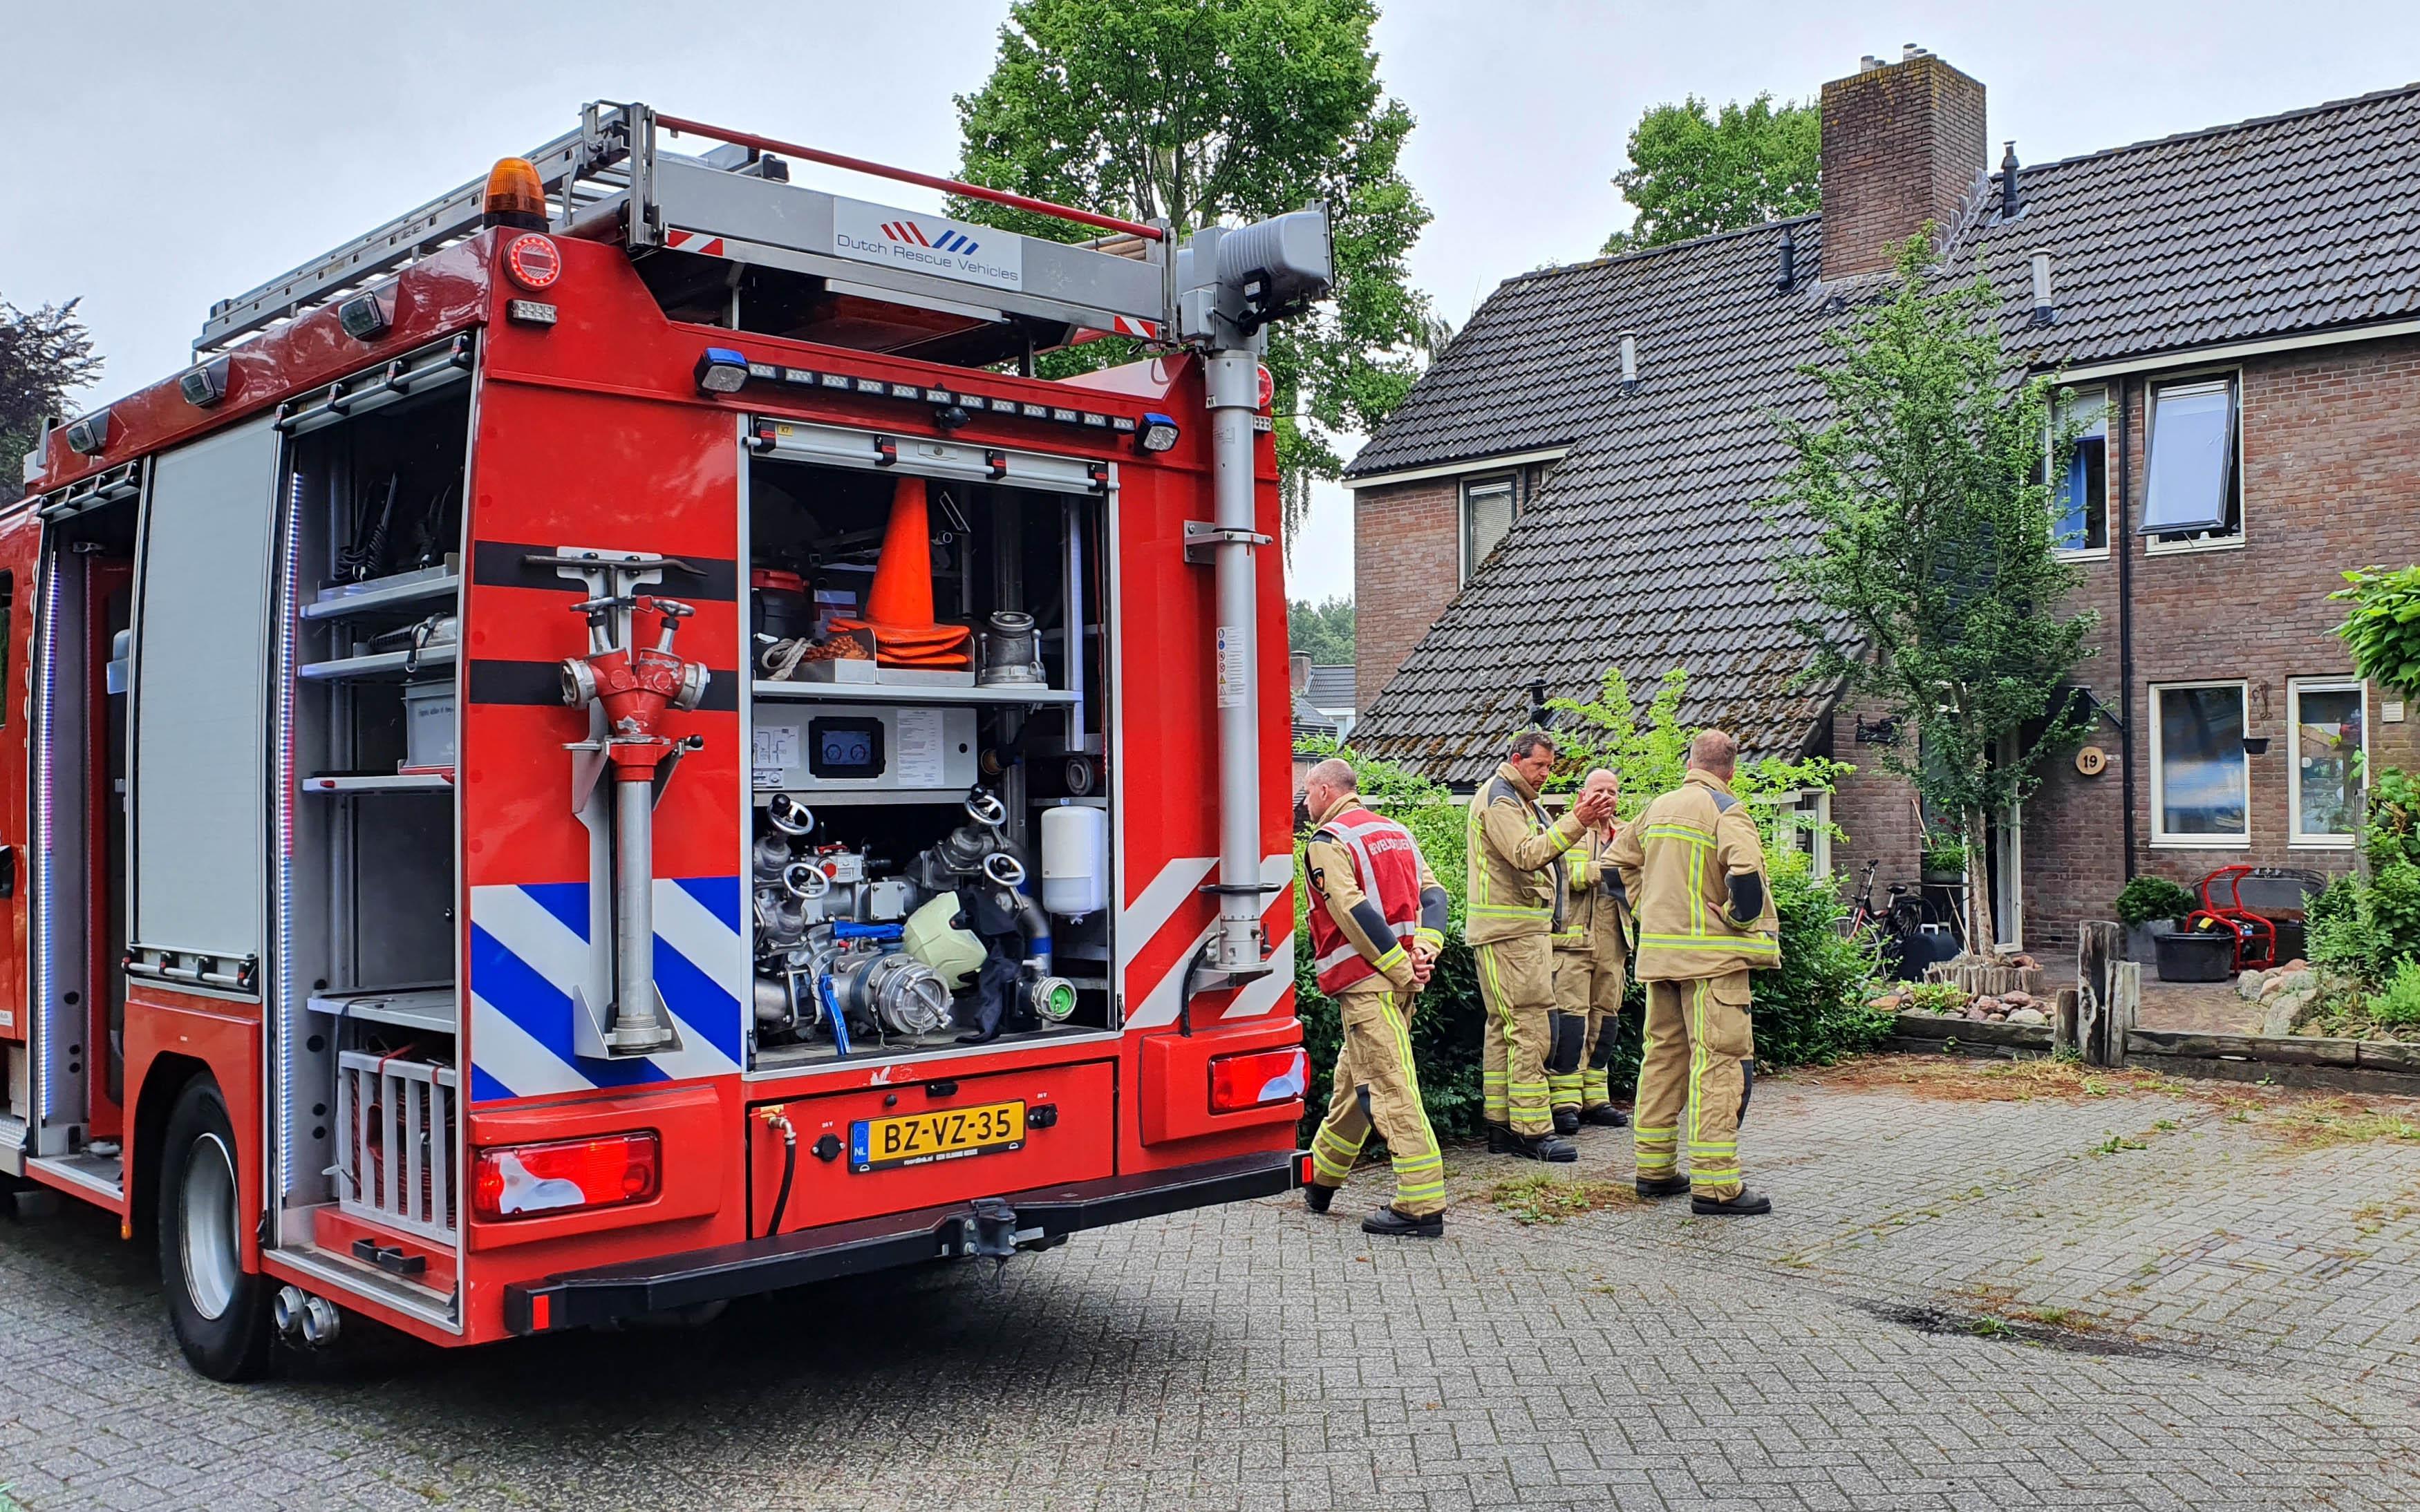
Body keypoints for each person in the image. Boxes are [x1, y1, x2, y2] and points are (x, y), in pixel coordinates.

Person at [1608, 730, 1780, 1216]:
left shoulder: (1657, 807)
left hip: (1661, 959)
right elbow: (1744, 876)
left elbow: (1611, 868)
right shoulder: (1726, 809)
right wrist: (1737, 920)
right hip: (1713, 962)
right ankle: (1716, 1187)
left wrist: (1647, 910)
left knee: (1662, 1059)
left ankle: (1655, 1169)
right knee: (1719, 1064)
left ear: (1690, 761)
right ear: (1730, 769)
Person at [1297, 758, 1454, 1237]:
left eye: (1306, 794)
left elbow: (1349, 909)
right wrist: (1424, 949)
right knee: (1354, 1083)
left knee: (1388, 1087)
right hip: (1400, 980)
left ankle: (1420, 1203)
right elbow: (1435, 897)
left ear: (1325, 791)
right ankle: (1320, 1177)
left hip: (1369, 984)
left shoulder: (1328, 843)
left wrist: (1397, 966)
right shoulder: (1396, 832)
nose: (1304, 804)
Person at [1465, 730, 1617, 1162]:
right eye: (1539, 766)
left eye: (1550, 767)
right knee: (1532, 1028)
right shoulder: (1501, 799)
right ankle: (1532, 1131)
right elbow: (1527, 854)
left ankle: (1499, 1126)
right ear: (1516, 759)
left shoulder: (1518, 799)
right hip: (1512, 935)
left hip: (1512, 932)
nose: (1546, 775)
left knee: (1504, 1028)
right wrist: (1578, 821)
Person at [1548, 767, 1631, 1134]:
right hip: (1571, 944)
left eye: (1612, 792)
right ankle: (1565, 1102)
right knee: (1571, 1020)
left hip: (1613, 941)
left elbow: (1639, 880)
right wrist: (1604, 871)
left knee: (1606, 1018)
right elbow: (1561, 877)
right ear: (1582, 796)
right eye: (1599, 791)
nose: (1606, 798)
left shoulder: (1628, 834)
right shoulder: (1566, 829)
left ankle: (1596, 1098)